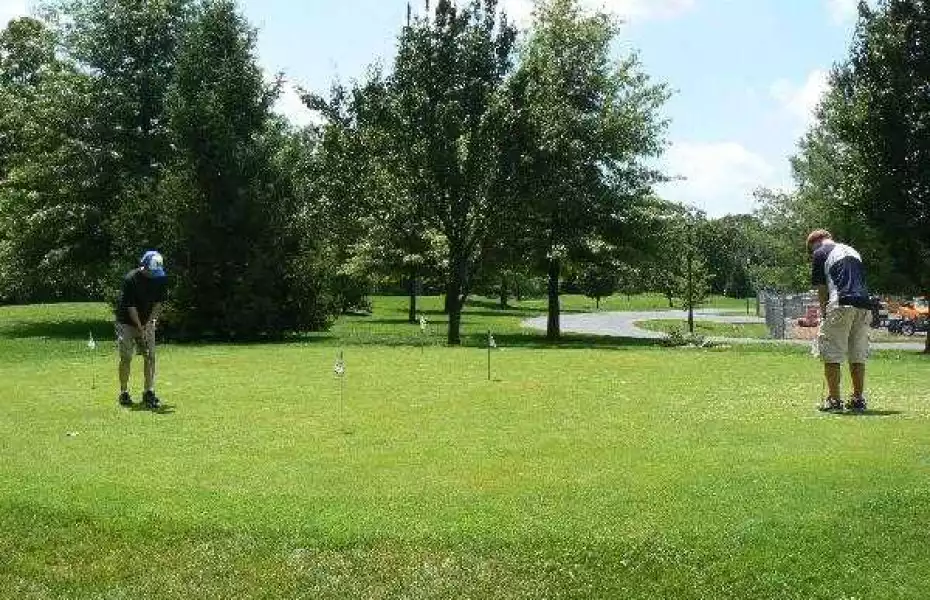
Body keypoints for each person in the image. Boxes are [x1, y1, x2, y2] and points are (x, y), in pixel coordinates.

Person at [807, 229, 872, 412]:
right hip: (864, 304)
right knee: (857, 354)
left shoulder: (820, 253)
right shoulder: (853, 251)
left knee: (832, 353)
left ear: (816, 243)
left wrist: (824, 312)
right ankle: (858, 399)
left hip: (840, 302)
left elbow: (822, 289)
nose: (812, 254)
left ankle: (834, 401)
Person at [115, 250, 168, 409]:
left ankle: (149, 391)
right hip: (126, 322)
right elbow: (130, 308)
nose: (155, 275)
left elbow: (158, 303)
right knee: (126, 357)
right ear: (144, 266)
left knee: (150, 356)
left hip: (147, 321)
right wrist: (140, 327)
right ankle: (124, 392)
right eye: (152, 271)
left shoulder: (160, 279)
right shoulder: (130, 279)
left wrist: (150, 322)